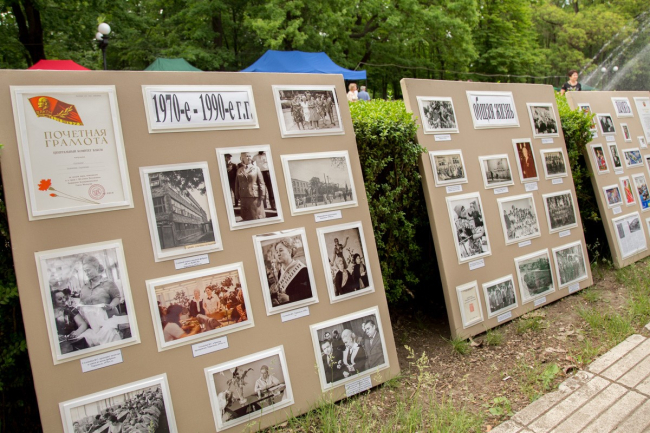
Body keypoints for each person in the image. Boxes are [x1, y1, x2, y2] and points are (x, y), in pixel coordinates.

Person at [270, 239, 312, 306]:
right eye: (277, 252)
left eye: (281, 250)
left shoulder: (303, 270)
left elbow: (310, 292)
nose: (278, 254)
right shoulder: (280, 272)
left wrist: (290, 298)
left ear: (289, 251)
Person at [235, 152, 266, 221]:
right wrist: (237, 195)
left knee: (256, 216)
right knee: (246, 217)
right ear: (242, 158)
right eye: (247, 156)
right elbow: (237, 183)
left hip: (254, 196)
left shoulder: (256, 168)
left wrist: (262, 195)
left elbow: (261, 183)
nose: (249, 158)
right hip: (243, 196)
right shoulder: (239, 170)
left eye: (249, 156)